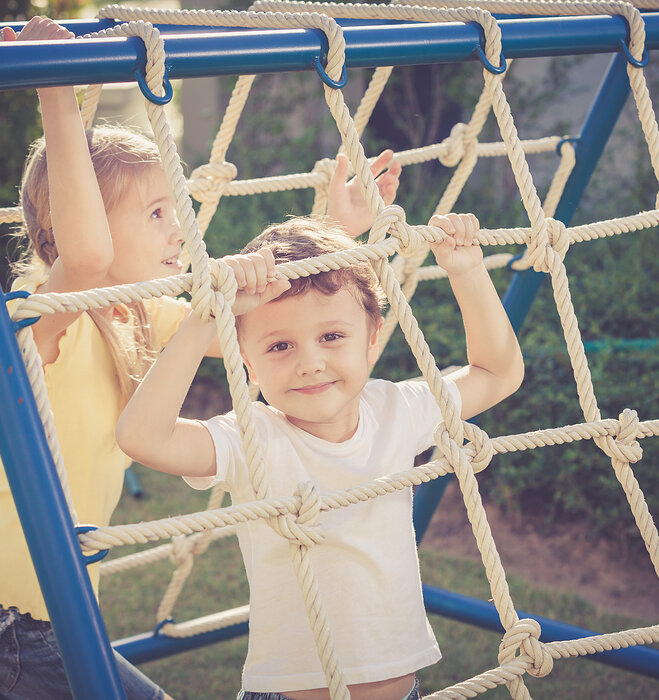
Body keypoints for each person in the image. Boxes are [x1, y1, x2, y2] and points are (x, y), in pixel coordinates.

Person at [0, 16, 401, 699]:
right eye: (153, 214)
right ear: (67, 219)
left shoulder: (141, 313)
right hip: (11, 614)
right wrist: (56, 93)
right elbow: (86, 258)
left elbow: (264, 311)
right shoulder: (38, 313)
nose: (179, 229)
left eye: (174, 211)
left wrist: (335, 224)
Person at [116, 213, 525, 699]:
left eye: (331, 337)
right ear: (246, 361)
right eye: (280, 345)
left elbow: (498, 374)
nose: (309, 362)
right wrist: (204, 318)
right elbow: (143, 437)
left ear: (373, 339)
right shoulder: (252, 438)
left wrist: (467, 270)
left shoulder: (396, 410)